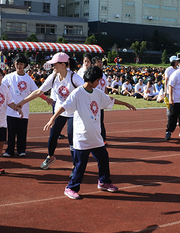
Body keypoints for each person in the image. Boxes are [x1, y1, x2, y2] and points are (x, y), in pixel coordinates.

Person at [44, 66, 136, 199]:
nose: (99, 83)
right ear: (94, 79)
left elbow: (110, 99)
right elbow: (64, 106)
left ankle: (104, 182)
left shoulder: (97, 93)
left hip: (95, 136)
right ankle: (71, 187)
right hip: (82, 136)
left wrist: (126, 103)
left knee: (103, 158)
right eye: (98, 80)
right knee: (81, 164)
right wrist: (52, 118)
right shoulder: (77, 93)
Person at [17, 52, 83, 170]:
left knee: (72, 137)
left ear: (63, 65)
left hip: (74, 112)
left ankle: (75, 166)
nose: (53, 67)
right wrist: (22, 102)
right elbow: (39, 91)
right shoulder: (53, 77)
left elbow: (85, 90)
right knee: (53, 135)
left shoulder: (74, 77)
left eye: (54, 64)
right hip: (59, 111)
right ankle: (50, 156)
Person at [1, 54, 39, 157]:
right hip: (11, 109)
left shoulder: (28, 78)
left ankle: (21, 150)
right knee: (11, 132)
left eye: (21, 64)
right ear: (14, 64)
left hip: (24, 110)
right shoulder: (9, 77)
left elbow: (36, 91)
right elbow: (1, 88)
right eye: (17, 64)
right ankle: (9, 150)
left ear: (25, 65)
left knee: (22, 132)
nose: (19, 66)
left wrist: (47, 98)